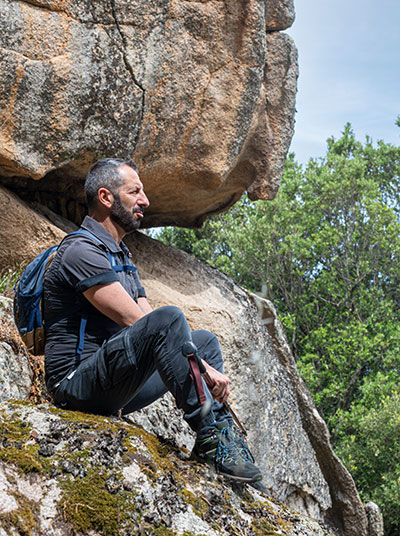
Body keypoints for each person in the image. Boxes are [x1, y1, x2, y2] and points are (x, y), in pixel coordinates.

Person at [43, 158, 262, 483]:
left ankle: (218, 441)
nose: (145, 201)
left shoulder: (120, 255)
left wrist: (198, 359)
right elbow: (133, 318)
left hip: (116, 384)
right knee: (172, 320)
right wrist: (202, 368)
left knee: (203, 340)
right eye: (135, 191)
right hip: (76, 386)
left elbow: (149, 320)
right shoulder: (80, 250)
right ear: (106, 197)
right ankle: (211, 435)